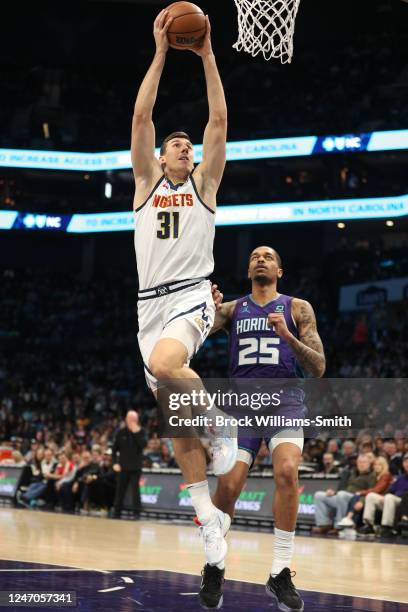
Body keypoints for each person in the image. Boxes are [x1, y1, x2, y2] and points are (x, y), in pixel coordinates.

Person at [132, 9, 235, 566]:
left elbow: (218, 119)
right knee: (176, 417)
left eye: (189, 148)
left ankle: (221, 424)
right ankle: (208, 520)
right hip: (147, 308)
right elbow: (143, 111)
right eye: (176, 147)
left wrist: (207, 54)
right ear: (158, 156)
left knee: (172, 368)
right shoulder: (146, 184)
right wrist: (161, 52)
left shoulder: (205, 185)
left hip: (191, 293)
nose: (186, 150)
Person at [198, 246, 326, 611]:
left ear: (280, 271)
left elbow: (318, 367)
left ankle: (280, 571)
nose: (260, 259)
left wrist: (288, 336)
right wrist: (203, 309)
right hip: (243, 409)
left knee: (287, 472)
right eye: (255, 255)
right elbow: (189, 339)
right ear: (248, 268)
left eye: (268, 256)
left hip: (285, 403)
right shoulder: (232, 309)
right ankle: (215, 564)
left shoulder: (298, 308)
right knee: (229, 485)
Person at [313, 454, 375, 536]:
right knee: (319, 495)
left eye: (364, 462)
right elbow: (344, 488)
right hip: (342, 496)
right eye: (359, 462)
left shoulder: (371, 475)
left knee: (342, 494)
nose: (361, 464)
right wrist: (334, 492)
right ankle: (324, 524)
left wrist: (362, 501)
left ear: (369, 464)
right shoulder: (353, 473)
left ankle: (338, 526)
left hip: (355, 498)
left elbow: (371, 491)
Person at [358, 452, 408, 537]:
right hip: (392, 500)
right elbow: (391, 489)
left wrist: (390, 496)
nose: (407, 464)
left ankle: (386, 527)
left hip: (403, 502)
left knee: (389, 497)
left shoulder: (388, 476)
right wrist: (384, 497)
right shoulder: (401, 478)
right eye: (405, 462)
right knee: (371, 496)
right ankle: (369, 525)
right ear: (403, 464)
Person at [337, 456, 393, 529]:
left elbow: (377, 490)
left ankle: (349, 519)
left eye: (379, 465)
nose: (377, 466)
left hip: (383, 498)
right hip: (375, 497)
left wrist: (361, 493)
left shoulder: (385, 475)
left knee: (358, 496)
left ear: (384, 466)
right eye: (375, 465)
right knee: (357, 497)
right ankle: (349, 520)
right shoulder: (377, 475)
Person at [112, 411, 145, 518]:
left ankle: (137, 513)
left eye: (133, 420)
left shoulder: (141, 432)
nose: (130, 421)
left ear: (136, 421)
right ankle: (116, 512)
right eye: (129, 419)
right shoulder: (120, 432)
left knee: (135, 490)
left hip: (136, 467)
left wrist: (136, 432)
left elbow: (143, 445)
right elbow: (114, 450)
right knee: (120, 490)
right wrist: (114, 463)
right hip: (123, 467)